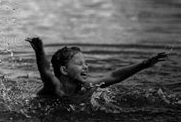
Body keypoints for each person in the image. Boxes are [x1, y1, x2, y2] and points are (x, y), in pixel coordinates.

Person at [25, 37, 167, 98]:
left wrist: (144, 64)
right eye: (80, 64)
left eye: (86, 63)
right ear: (64, 70)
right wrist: (39, 52)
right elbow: (45, 73)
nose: (86, 67)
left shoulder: (86, 86)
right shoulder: (55, 87)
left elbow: (114, 76)